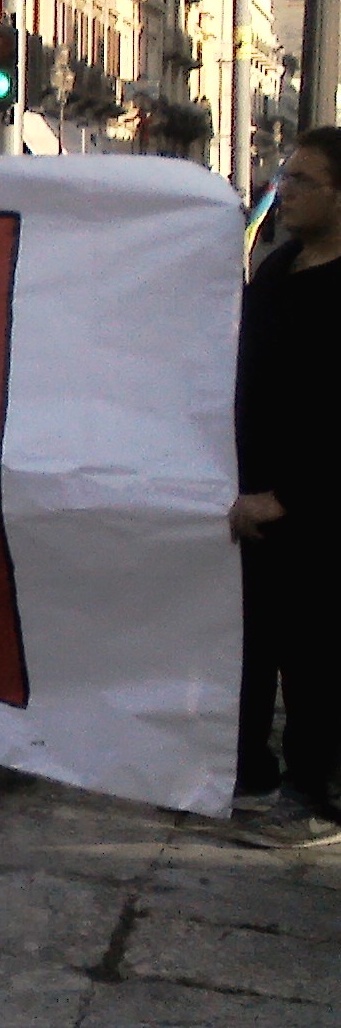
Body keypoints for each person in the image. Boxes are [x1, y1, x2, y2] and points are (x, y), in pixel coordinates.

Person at [230, 126, 341, 849]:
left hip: (317, 510)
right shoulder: (277, 271)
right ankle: (252, 775)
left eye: (301, 181)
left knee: (315, 652)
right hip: (255, 502)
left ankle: (313, 794)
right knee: (254, 641)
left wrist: (289, 494)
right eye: (284, 177)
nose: (283, 192)